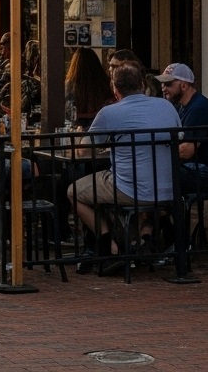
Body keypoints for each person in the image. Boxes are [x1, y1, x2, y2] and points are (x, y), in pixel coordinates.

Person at [68, 62, 181, 276]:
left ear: (115, 89)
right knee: (134, 185)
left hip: (130, 189)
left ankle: (109, 242)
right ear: (142, 84)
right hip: (167, 188)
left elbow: (84, 150)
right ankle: (144, 238)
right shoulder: (166, 107)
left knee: (74, 192)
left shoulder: (109, 113)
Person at [156, 63, 208, 197]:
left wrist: (157, 155)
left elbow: (187, 150)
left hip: (207, 171)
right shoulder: (182, 107)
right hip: (195, 167)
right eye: (162, 84)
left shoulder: (198, 109)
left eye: (168, 84)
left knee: (158, 173)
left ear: (184, 85)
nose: (163, 88)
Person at [65, 47, 113, 130]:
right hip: (101, 127)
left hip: (77, 128)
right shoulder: (104, 82)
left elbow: (67, 110)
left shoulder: (70, 84)